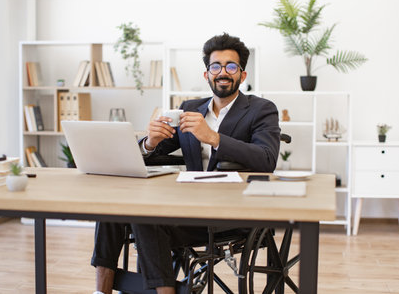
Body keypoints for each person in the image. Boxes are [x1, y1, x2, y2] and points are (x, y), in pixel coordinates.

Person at [91, 33, 280, 294]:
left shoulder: (261, 109)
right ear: (207, 74)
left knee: (147, 218)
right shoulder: (190, 109)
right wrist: (150, 141)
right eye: (215, 66)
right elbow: (158, 150)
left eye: (231, 66)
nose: (222, 72)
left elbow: (267, 159)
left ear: (242, 75)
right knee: (113, 209)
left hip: (233, 214)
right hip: (189, 208)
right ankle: (102, 290)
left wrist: (213, 138)